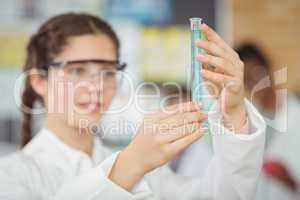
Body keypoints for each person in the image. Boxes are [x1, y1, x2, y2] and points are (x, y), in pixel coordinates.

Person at [0, 13, 266, 200]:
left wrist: (233, 114)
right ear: (39, 80)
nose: (96, 86)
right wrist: (131, 163)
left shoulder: (151, 174)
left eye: (108, 71)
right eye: (78, 70)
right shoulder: (11, 176)